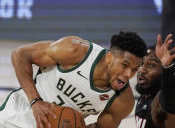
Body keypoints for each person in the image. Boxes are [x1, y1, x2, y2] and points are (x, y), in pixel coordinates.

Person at [0, 31, 147, 128]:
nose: (129, 74)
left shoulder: (123, 101)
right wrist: (35, 102)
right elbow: (20, 55)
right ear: (109, 57)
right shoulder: (75, 51)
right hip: (17, 114)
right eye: (124, 65)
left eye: (135, 69)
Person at [135, 34, 175, 128]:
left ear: (163, 72)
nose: (142, 70)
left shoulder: (161, 104)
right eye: (142, 63)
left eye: (151, 65)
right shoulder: (146, 95)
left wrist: (168, 67)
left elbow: (171, 97)